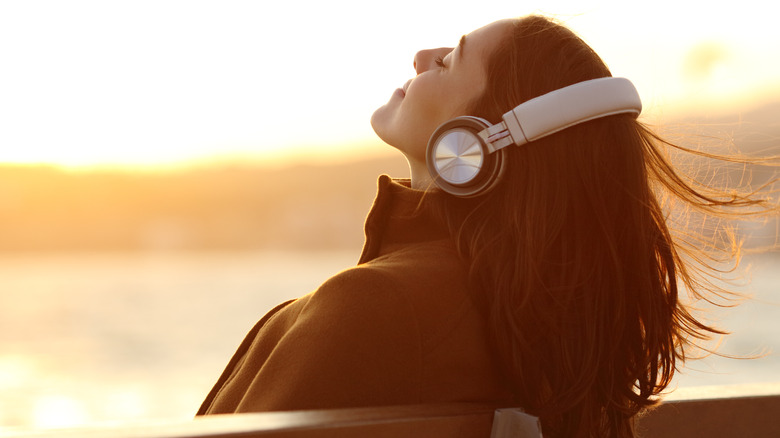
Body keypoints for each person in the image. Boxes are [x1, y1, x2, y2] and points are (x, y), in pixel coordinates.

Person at [198, 15, 777, 437]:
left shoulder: (377, 306)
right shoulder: (551, 330)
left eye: (450, 60)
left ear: (477, 143)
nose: (423, 53)